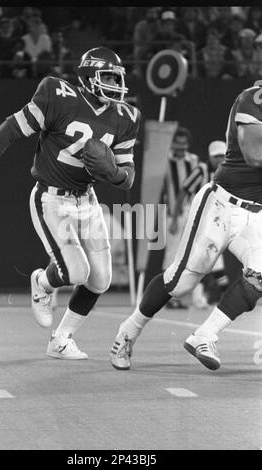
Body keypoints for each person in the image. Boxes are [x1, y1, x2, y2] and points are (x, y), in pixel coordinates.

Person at [0, 46, 140, 360]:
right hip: (51, 198)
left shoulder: (126, 117)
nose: (115, 83)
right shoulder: (58, 94)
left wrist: (113, 172)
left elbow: (128, 176)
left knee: (101, 278)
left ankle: (61, 338)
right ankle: (42, 282)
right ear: (87, 77)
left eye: (117, 77)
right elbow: (12, 127)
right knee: (76, 272)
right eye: (107, 76)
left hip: (87, 200)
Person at [110, 83, 262, 371]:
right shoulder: (253, 98)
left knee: (260, 276)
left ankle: (204, 335)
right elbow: (255, 153)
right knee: (182, 282)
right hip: (221, 204)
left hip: (256, 214)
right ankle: (128, 332)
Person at [169, 140, 228, 308]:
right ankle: (174, 296)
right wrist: (175, 218)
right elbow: (184, 190)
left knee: (209, 255)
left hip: (213, 220)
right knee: (191, 256)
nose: (220, 159)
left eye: (223, 155)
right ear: (210, 156)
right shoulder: (201, 170)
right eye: (216, 156)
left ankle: (201, 297)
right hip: (195, 219)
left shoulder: (227, 172)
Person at [161, 127, 199, 309]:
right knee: (172, 254)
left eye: (184, 144)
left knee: (192, 255)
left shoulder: (194, 160)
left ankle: (187, 297)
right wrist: (173, 217)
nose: (181, 147)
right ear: (172, 143)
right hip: (173, 213)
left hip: (192, 213)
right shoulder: (164, 161)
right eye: (178, 143)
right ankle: (166, 296)